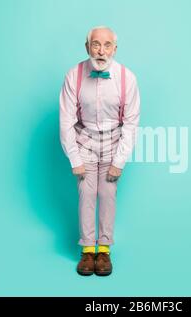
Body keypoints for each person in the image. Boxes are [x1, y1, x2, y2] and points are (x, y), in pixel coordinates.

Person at [59, 26, 140, 276]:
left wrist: (120, 160)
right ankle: (87, 251)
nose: (101, 51)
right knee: (86, 193)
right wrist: (74, 157)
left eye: (107, 45)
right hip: (84, 142)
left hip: (113, 143)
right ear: (87, 47)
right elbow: (65, 119)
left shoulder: (128, 78)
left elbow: (131, 122)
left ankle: (103, 249)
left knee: (107, 193)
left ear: (115, 49)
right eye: (96, 44)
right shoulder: (74, 75)